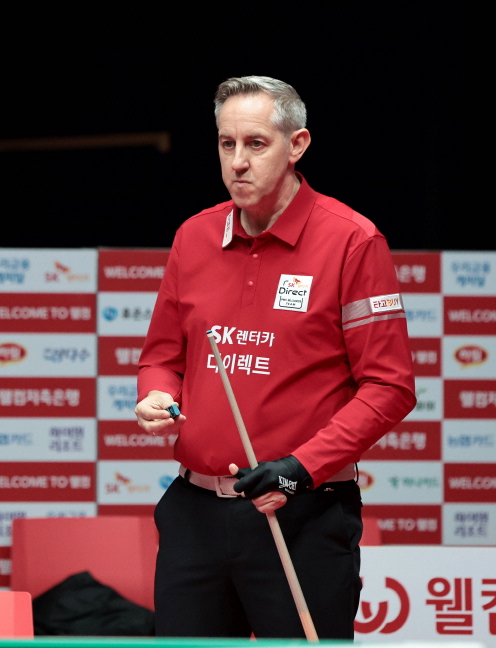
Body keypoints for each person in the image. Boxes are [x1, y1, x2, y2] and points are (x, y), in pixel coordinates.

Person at [135, 75, 416, 640]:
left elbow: (389, 388)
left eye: (256, 144)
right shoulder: (193, 236)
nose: (238, 161)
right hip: (195, 513)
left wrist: (300, 468)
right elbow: (162, 355)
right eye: (226, 143)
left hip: (301, 513)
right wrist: (157, 394)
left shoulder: (353, 241)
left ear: (297, 145)